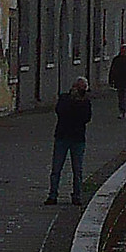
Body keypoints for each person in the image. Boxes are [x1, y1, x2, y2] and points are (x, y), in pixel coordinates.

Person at [47, 77, 91, 205]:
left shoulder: (85, 102)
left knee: (77, 170)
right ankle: (53, 195)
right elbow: (61, 112)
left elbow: (86, 117)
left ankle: (76, 196)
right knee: (57, 168)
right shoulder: (65, 99)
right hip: (65, 136)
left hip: (75, 138)